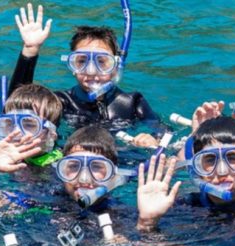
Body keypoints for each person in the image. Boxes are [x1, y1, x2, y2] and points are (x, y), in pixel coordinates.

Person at [9, 4, 159, 147]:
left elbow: (163, 132)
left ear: (116, 65)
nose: (91, 71)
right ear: (71, 65)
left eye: (102, 61)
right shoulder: (61, 102)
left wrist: (152, 140)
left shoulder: (132, 102)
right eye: (81, 61)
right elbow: (15, 107)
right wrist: (30, 50)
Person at [0, 83, 61, 205]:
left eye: (30, 124)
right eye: (9, 123)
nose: (16, 132)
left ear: (51, 134)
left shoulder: (62, 168)